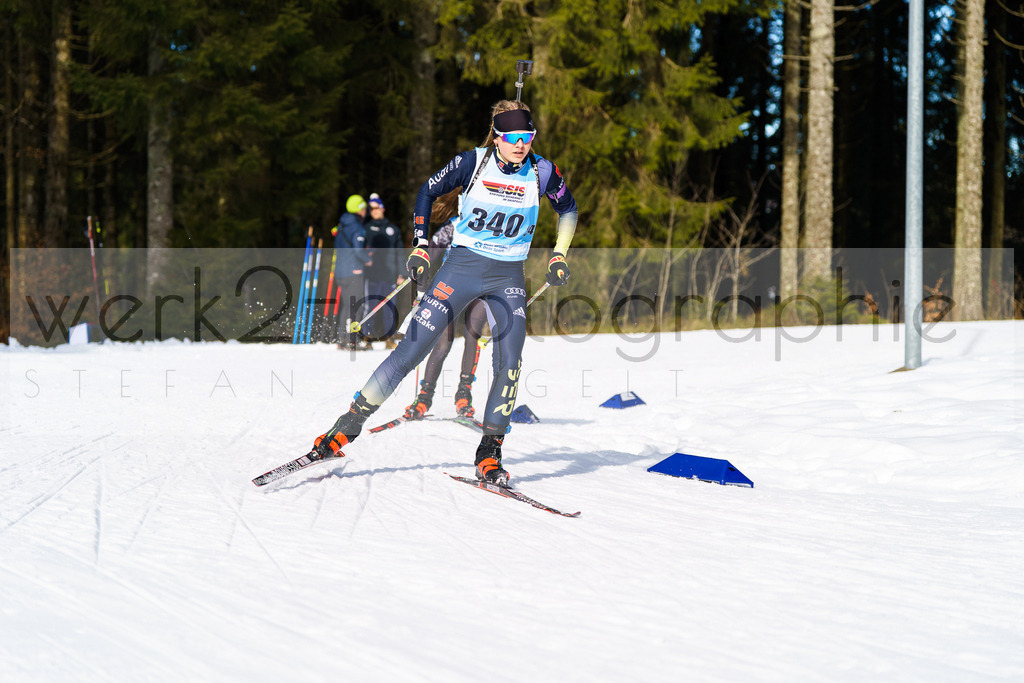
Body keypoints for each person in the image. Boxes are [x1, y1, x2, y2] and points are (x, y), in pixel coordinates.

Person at [310, 99, 578, 486]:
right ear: (499, 138)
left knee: (510, 360)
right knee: (411, 349)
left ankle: (489, 453)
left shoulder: (543, 171)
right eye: (514, 137)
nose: (522, 145)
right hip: (461, 268)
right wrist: (420, 244)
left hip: (507, 277)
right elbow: (426, 192)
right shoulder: (474, 162)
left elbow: (568, 210)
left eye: (529, 137)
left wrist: (558, 254)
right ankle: (343, 429)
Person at [403, 219, 492, 420]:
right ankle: (424, 397)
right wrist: (418, 277)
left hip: (482, 286)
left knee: (472, 334)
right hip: (452, 285)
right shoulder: (457, 221)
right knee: (443, 342)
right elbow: (432, 249)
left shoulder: (496, 218)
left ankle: (464, 395)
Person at [362, 193, 405, 346]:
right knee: (371, 306)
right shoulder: (365, 229)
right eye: (371, 208)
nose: (374, 211)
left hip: (390, 275)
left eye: (376, 207)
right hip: (372, 275)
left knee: (389, 307)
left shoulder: (392, 229)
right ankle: (366, 337)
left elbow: (399, 252)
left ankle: (389, 338)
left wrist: (402, 273)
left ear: (382, 209)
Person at [333, 194, 371, 350]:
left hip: (340, 272)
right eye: (363, 208)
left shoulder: (342, 224)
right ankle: (351, 340)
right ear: (359, 209)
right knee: (356, 306)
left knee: (347, 305)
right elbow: (358, 249)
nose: (365, 211)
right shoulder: (356, 226)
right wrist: (368, 259)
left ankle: (342, 338)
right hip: (353, 271)